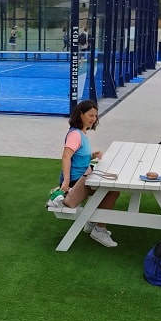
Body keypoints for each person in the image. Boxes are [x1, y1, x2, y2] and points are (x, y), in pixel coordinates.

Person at [57, 100, 120, 248]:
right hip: (75, 182)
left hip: (82, 178)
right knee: (112, 191)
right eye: (90, 115)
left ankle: (92, 223)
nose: (93, 119)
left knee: (110, 189)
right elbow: (66, 156)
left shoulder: (81, 133)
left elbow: (76, 156)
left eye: (95, 116)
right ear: (80, 114)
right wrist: (66, 182)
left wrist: (91, 155)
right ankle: (99, 228)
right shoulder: (75, 135)